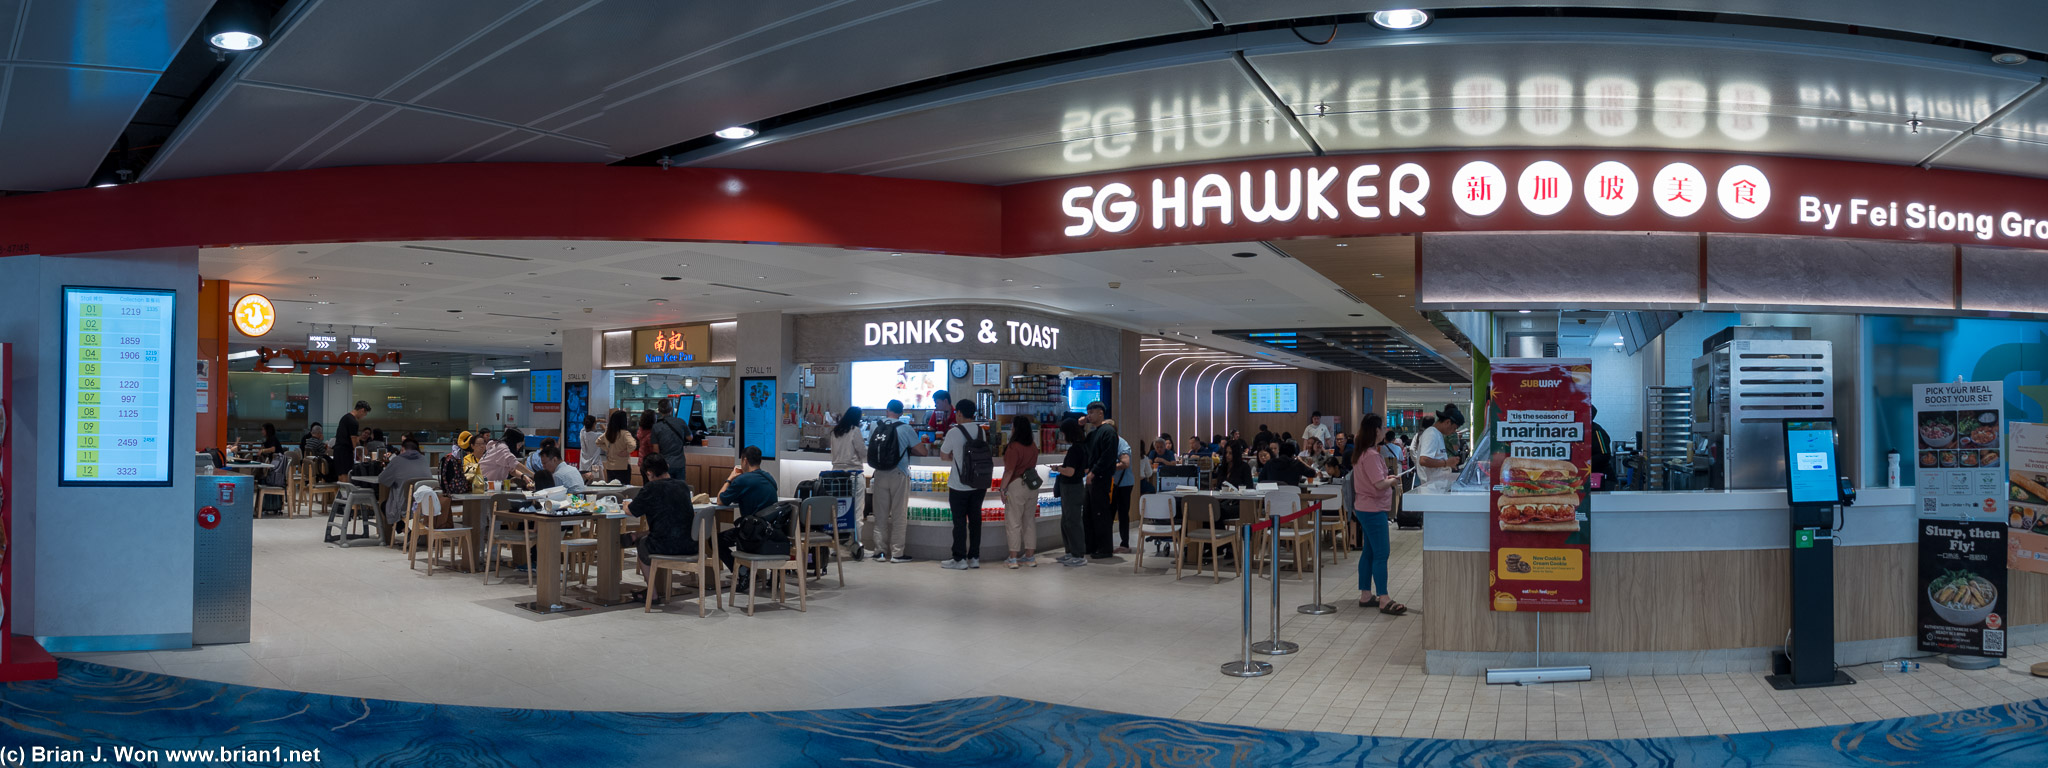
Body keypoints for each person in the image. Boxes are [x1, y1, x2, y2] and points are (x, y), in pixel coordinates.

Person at [1352, 413, 1406, 615]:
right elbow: (1378, 484)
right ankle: (1384, 598)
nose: (1385, 430)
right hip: (1374, 510)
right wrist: (1392, 481)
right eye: (1383, 427)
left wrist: (1387, 478)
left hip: (1364, 508)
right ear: (1376, 430)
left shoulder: (1362, 453)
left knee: (1369, 552)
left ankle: (1366, 595)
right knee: (1381, 553)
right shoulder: (1373, 455)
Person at [628, 454, 697, 603]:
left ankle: (652, 594)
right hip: (691, 544)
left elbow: (632, 511)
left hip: (666, 545)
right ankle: (655, 588)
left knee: (643, 544)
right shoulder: (683, 486)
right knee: (651, 535)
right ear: (667, 467)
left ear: (649, 473)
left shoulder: (651, 487)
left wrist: (625, 505)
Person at [938, 399, 990, 570]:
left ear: (959, 413)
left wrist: (955, 457)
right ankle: (974, 557)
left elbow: (943, 455)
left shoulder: (954, 432)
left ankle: (959, 559)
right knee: (975, 521)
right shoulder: (982, 431)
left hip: (959, 484)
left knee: (959, 522)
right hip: (979, 484)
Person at [867, 400, 921, 564]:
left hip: (880, 474)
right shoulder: (906, 428)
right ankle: (897, 553)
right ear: (902, 412)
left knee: (880, 515)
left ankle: (880, 552)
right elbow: (922, 450)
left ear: (887, 410)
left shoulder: (875, 427)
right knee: (899, 514)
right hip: (899, 473)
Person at [715, 446, 778, 579]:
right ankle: (746, 572)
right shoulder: (769, 478)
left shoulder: (742, 480)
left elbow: (720, 500)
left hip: (751, 533)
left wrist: (730, 478)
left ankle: (742, 574)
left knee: (715, 541)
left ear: (745, 460)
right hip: (771, 532)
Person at [1081, 402, 1122, 559]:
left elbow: (1108, 456)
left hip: (1101, 478)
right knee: (1089, 513)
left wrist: (1094, 471)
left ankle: (1104, 549)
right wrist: (1080, 426)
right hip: (1092, 477)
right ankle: (1091, 546)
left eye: (1092, 412)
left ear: (1101, 413)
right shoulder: (1094, 432)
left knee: (1100, 514)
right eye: (1088, 413)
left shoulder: (1108, 432)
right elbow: (1084, 448)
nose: (1089, 416)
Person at [828, 407, 869, 558]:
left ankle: (835, 546)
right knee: (857, 511)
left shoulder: (835, 432)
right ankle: (857, 544)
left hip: (836, 475)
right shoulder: (855, 430)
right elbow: (862, 452)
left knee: (838, 512)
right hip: (853, 474)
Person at [1000, 415, 1040, 569]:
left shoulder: (1013, 447)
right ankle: (1030, 557)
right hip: (1032, 485)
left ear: (1015, 428)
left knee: (1014, 522)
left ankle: (1013, 558)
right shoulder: (1033, 446)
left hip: (1017, 485)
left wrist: (1003, 488)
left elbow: (1009, 470)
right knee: (1029, 521)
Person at [1052, 416, 1090, 566]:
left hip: (1071, 488)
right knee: (1067, 521)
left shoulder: (1075, 449)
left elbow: (1070, 472)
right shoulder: (1082, 447)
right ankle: (1070, 552)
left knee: (1072, 521)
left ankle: (1078, 554)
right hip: (1075, 487)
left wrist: (1057, 469)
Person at [376, 436, 433, 521]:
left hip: (405, 507)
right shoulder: (423, 459)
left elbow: (382, 480)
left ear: (402, 449)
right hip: (425, 506)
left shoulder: (397, 460)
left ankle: (406, 531)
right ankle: (411, 531)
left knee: (385, 505)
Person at [1415, 405, 1465, 492]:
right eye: (1454, 428)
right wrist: (1446, 463)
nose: (1453, 431)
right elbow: (1424, 460)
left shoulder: (1438, 434)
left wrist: (1449, 463)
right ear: (1448, 422)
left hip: (1437, 487)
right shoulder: (1431, 434)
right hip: (1431, 488)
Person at [1107, 429, 1137, 554]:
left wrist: (1106, 467)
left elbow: (1125, 463)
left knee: (1122, 513)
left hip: (1123, 484)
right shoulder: (1109, 442)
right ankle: (1107, 543)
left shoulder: (1121, 443)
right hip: (1113, 483)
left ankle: (1124, 544)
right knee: (1109, 512)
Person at [651, 399, 692, 483]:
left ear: (659, 411)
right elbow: (690, 438)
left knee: (666, 490)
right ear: (671, 409)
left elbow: (656, 450)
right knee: (679, 489)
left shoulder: (656, 427)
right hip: (679, 463)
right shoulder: (681, 422)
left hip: (665, 465)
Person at [598, 410, 638, 485]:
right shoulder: (625, 433)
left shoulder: (608, 433)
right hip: (622, 467)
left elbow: (598, 442)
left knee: (611, 488)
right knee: (623, 490)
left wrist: (607, 449)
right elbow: (633, 445)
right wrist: (626, 451)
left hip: (610, 467)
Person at [333, 401, 370, 474]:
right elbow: (354, 440)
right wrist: (359, 454)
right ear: (362, 410)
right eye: (365, 414)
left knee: (340, 474)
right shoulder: (353, 421)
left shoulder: (345, 417)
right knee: (346, 474)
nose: (364, 416)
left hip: (338, 450)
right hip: (345, 452)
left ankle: (341, 486)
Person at [1589, 405, 1615, 491]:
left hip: (1602, 478)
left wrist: (1583, 463)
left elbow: (1605, 455)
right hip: (1590, 478)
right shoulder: (1580, 431)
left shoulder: (1596, 431)